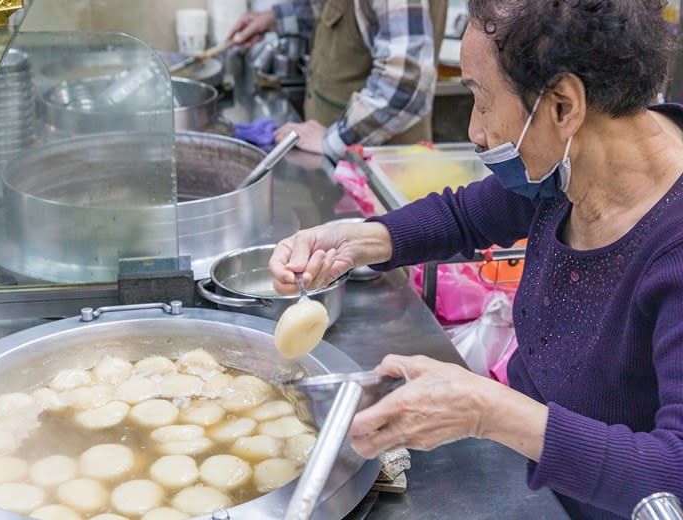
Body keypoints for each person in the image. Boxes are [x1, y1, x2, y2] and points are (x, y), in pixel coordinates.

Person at [268, 1, 683, 518]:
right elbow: (466, 216)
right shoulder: (570, 168)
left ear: (562, 106)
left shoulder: (670, 246)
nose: (475, 130)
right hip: (527, 479)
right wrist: (355, 240)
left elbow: (672, 473)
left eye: (482, 100)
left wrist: (488, 412)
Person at [227, 0, 447, 161]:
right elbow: (338, 10)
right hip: (339, 158)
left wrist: (331, 140)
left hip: (376, 171)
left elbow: (406, 84)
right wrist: (275, 19)